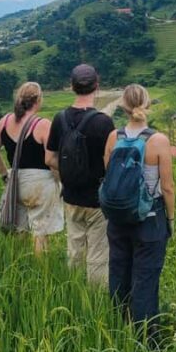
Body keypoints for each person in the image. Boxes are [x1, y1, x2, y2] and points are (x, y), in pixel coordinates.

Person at [104, 84, 175, 339]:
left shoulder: (114, 137)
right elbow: (167, 187)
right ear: (147, 104)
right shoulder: (157, 140)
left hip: (118, 217)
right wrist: (171, 219)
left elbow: (110, 176)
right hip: (149, 218)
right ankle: (145, 341)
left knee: (119, 275)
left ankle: (116, 330)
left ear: (123, 106)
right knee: (145, 280)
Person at [46, 64, 114, 285]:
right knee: (98, 255)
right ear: (97, 85)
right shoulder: (103, 122)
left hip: (71, 196)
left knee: (74, 250)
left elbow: (49, 158)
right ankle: (94, 302)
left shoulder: (60, 119)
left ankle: (73, 291)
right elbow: (111, 162)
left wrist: (69, 172)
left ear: (71, 87)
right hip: (97, 200)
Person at [0, 82, 63, 255]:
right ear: (38, 100)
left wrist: (4, 175)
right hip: (40, 183)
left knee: (19, 229)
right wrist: (61, 181)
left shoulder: (5, 121)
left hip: (15, 181)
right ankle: (40, 271)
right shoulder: (43, 125)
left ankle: (19, 265)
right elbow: (51, 159)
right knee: (40, 232)